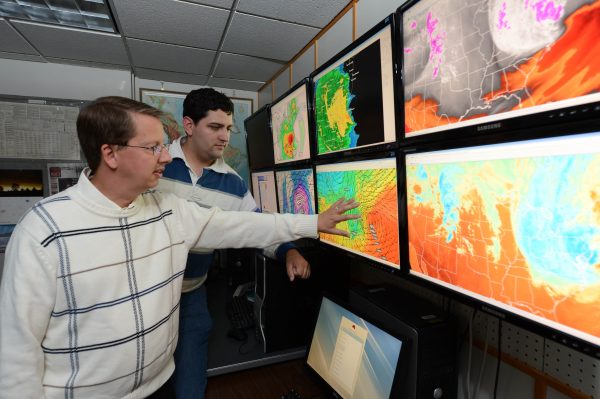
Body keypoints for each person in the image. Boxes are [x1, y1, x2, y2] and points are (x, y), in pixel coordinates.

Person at [0, 96, 359, 399]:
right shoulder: (45, 231)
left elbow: (245, 223)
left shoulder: (169, 211)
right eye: (153, 147)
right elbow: (15, 351)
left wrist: (312, 224)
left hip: (157, 384)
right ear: (110, 153)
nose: (166, 156)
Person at [156, 88, 312, 399]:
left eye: (228, 128)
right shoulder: (156, 166)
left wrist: (289, 250)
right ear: (188, 125)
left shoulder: (232, 181)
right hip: (151, 293)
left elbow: (255, 225)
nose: (225, 137)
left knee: (189, 386)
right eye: (215, 127)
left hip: (191, 294)